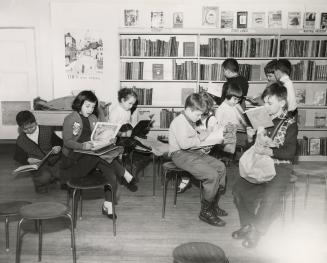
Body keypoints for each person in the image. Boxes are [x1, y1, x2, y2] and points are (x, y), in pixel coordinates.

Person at [232, 82, 298, 248]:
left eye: (270, 103)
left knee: (270, 198)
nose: (266, 107)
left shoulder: (291, 124)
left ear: (282, 103)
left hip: (281, 167)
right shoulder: (261, 119)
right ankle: (247, 224)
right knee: (239, 190)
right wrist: (250, 138)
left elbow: (290, 153)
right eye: (265, 103)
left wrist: (269, 151)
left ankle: (257, 230)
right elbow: (252, 149)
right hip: (260, 164)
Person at [61, 90, 137, 219]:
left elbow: (98, 136)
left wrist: (109, 139)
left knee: (111, 176)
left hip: (92, 156)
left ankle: (108, 205)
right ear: (79, 104)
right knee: (98, 154)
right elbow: (67, 142)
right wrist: (82, 146)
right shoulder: (70, 119)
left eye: (93, 107)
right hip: (74, 160)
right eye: (87, 106)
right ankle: (123, 172)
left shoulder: (93, 118)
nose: (90, 110)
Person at [169, 93, 227, 227]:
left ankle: (212, 204)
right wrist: (201, 139)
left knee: (221, 167)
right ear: (188, 110)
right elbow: (184, 144)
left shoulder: (191, 120)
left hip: (192, 152)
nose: (199, 117)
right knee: (211, 175)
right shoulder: (179, 122)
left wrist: (204, 144)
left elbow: (193, 141)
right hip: (179, 154)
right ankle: (205, 212)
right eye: (197, 115)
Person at [14, 110, 62, 194]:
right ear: (20, 128)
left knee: (62, 172)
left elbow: (59, 142)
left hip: (54, 160)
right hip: (39, 165)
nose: (29, 130)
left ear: (35, 122)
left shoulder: (47, 130)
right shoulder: (20, 140)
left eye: (32, 127)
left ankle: (54, 179)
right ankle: (40, 185)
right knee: (44, 177)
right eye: (26, 129)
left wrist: (58, 147)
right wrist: (27, 160)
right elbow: (18, 156)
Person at [215, 82, 244, 155]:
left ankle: (229, 158)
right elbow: (217, 127)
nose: (236, 102)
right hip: (225, 135)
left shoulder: (235, 105)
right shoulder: (221, 109)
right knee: (228, 151)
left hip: (234, 132)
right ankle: (227, 159)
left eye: (238, 99)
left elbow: (241, 118)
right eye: (235, 99)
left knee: (231, 149)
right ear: (227, 95)